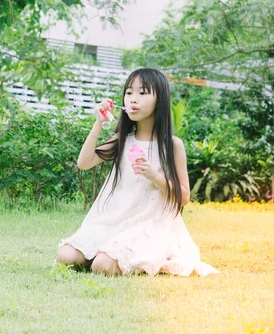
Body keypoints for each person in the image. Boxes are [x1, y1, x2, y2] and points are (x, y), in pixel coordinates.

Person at [56, 68, 219, 277]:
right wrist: (99, 123)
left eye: (142, 93)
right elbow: (84, 162)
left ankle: (127, 256)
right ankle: (106, 253)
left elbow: (184, 196)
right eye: (129, 92)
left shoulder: (172, 145)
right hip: (112, 219)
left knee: (102, 266)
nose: (133, 99)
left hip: (147, 225)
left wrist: (155, 176)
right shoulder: (122, 138)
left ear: (159, 99)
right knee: (66, 257)